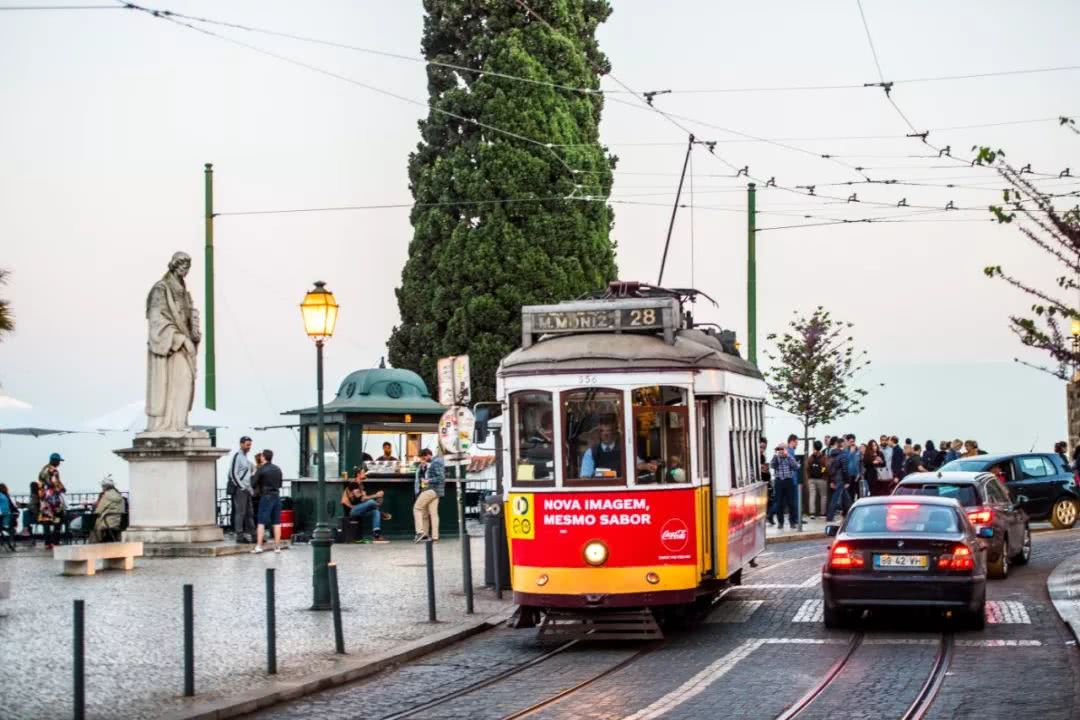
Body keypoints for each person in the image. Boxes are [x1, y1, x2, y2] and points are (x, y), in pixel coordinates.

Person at [341, 467, 390, 543]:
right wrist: (376, 495)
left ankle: (376, 536)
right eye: (363, 472)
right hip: (352, 510)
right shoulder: (353, 484)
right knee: (371, 502)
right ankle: (381, 512)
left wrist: (376, 497)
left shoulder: (361, 485)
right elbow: (361, 498)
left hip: (360, 509)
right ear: (358, 474)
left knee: (375, 511)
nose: (365, 474)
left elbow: (364, 499)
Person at [252, 449, 285, 554]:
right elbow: (280, 484)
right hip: (276, 496)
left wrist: (254, 474)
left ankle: (259, 546)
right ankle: (277, 547)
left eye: (261, 455)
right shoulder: (277, 469)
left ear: (263, 457)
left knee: (261, 522)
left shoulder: (261, 469)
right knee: (277, 522)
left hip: (266, 496)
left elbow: (253, 483)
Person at [227, 436, 256, 544]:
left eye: (250, 445)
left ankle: (253, 535)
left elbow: (246, 474)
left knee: (249, 513)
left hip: (246, 489)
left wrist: (249, 489)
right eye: (247, 444)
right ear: (241, 444)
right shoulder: (237, 456)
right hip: (241, 489)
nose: (249, 447)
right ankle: (239, 536)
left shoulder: (244, 458)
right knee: (241, 513)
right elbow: (233, 473)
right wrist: (242, 487)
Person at [413, 448, 445, 542]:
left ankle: (420, 532)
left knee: (417, 508)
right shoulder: (438, 461)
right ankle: (433, 537)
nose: (424, 460)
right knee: (432, 514)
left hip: (431, 489)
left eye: (424, 457)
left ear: (427, 455)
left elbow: (441, 478)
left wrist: (428, 480)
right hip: (437, 491)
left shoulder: (435, 462)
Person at [38, 452, 66, 548]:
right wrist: (62, 488)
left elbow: (40, 484)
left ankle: (47, 543)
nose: (59, 463)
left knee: (46, 520)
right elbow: (55, 483)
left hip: (44, 498)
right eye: (58, 461)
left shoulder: (43, 469)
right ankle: (55, 542)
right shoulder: (53, 470)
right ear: (54, 461)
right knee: (58, 519)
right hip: (53, 498)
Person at [770, 443, 799, 530]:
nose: (781, 451)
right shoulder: (775, 457)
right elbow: (772, 465)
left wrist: (788, 457)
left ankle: (792, 522)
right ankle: (780, 523)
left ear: (785, 449)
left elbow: (796, 467)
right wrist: (776, 456)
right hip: (779, 481)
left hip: (788, 481)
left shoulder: (789, 457)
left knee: (791, 503)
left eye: (782, 449)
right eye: (779, 449)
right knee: (779, 503)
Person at [90, 475, 125, 543]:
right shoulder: (119, 496)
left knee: (93, 525)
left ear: (104, 487)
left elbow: (98, 510)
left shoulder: (106, 495)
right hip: (118, 521)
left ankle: (94, 543)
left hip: (107, 522)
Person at [825, 438, 850, 522]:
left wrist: (832, 480)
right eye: (845, 442)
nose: (847, 443)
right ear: (842, 444)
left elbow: (831, 468)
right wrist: (847, 481)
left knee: (847, 499)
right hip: (841, 479)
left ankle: (850, 514)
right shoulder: (843, 455)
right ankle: (830, 517)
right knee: (835, 499)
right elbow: (845, 469)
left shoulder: (832, 454)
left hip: (835, 478)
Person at [806, 441, 827, 518]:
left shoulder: (811, 457)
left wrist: (809, 477)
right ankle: (823, 513)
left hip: (811, 479)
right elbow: (825, 467)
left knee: (812, 495)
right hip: (822, 479)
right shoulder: (823, 457)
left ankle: (812, 513)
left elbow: (807, 468)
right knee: (823, 496)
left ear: (814, 447)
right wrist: (822, 474)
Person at [760, 439, 774, 526]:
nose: (762, 450)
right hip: (760, 482)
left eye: (764, 448)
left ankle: (769, 517)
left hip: (764, 482)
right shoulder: (753, 456)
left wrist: (765, 469)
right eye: (761, 447)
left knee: (769, 500)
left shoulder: (763, 457)